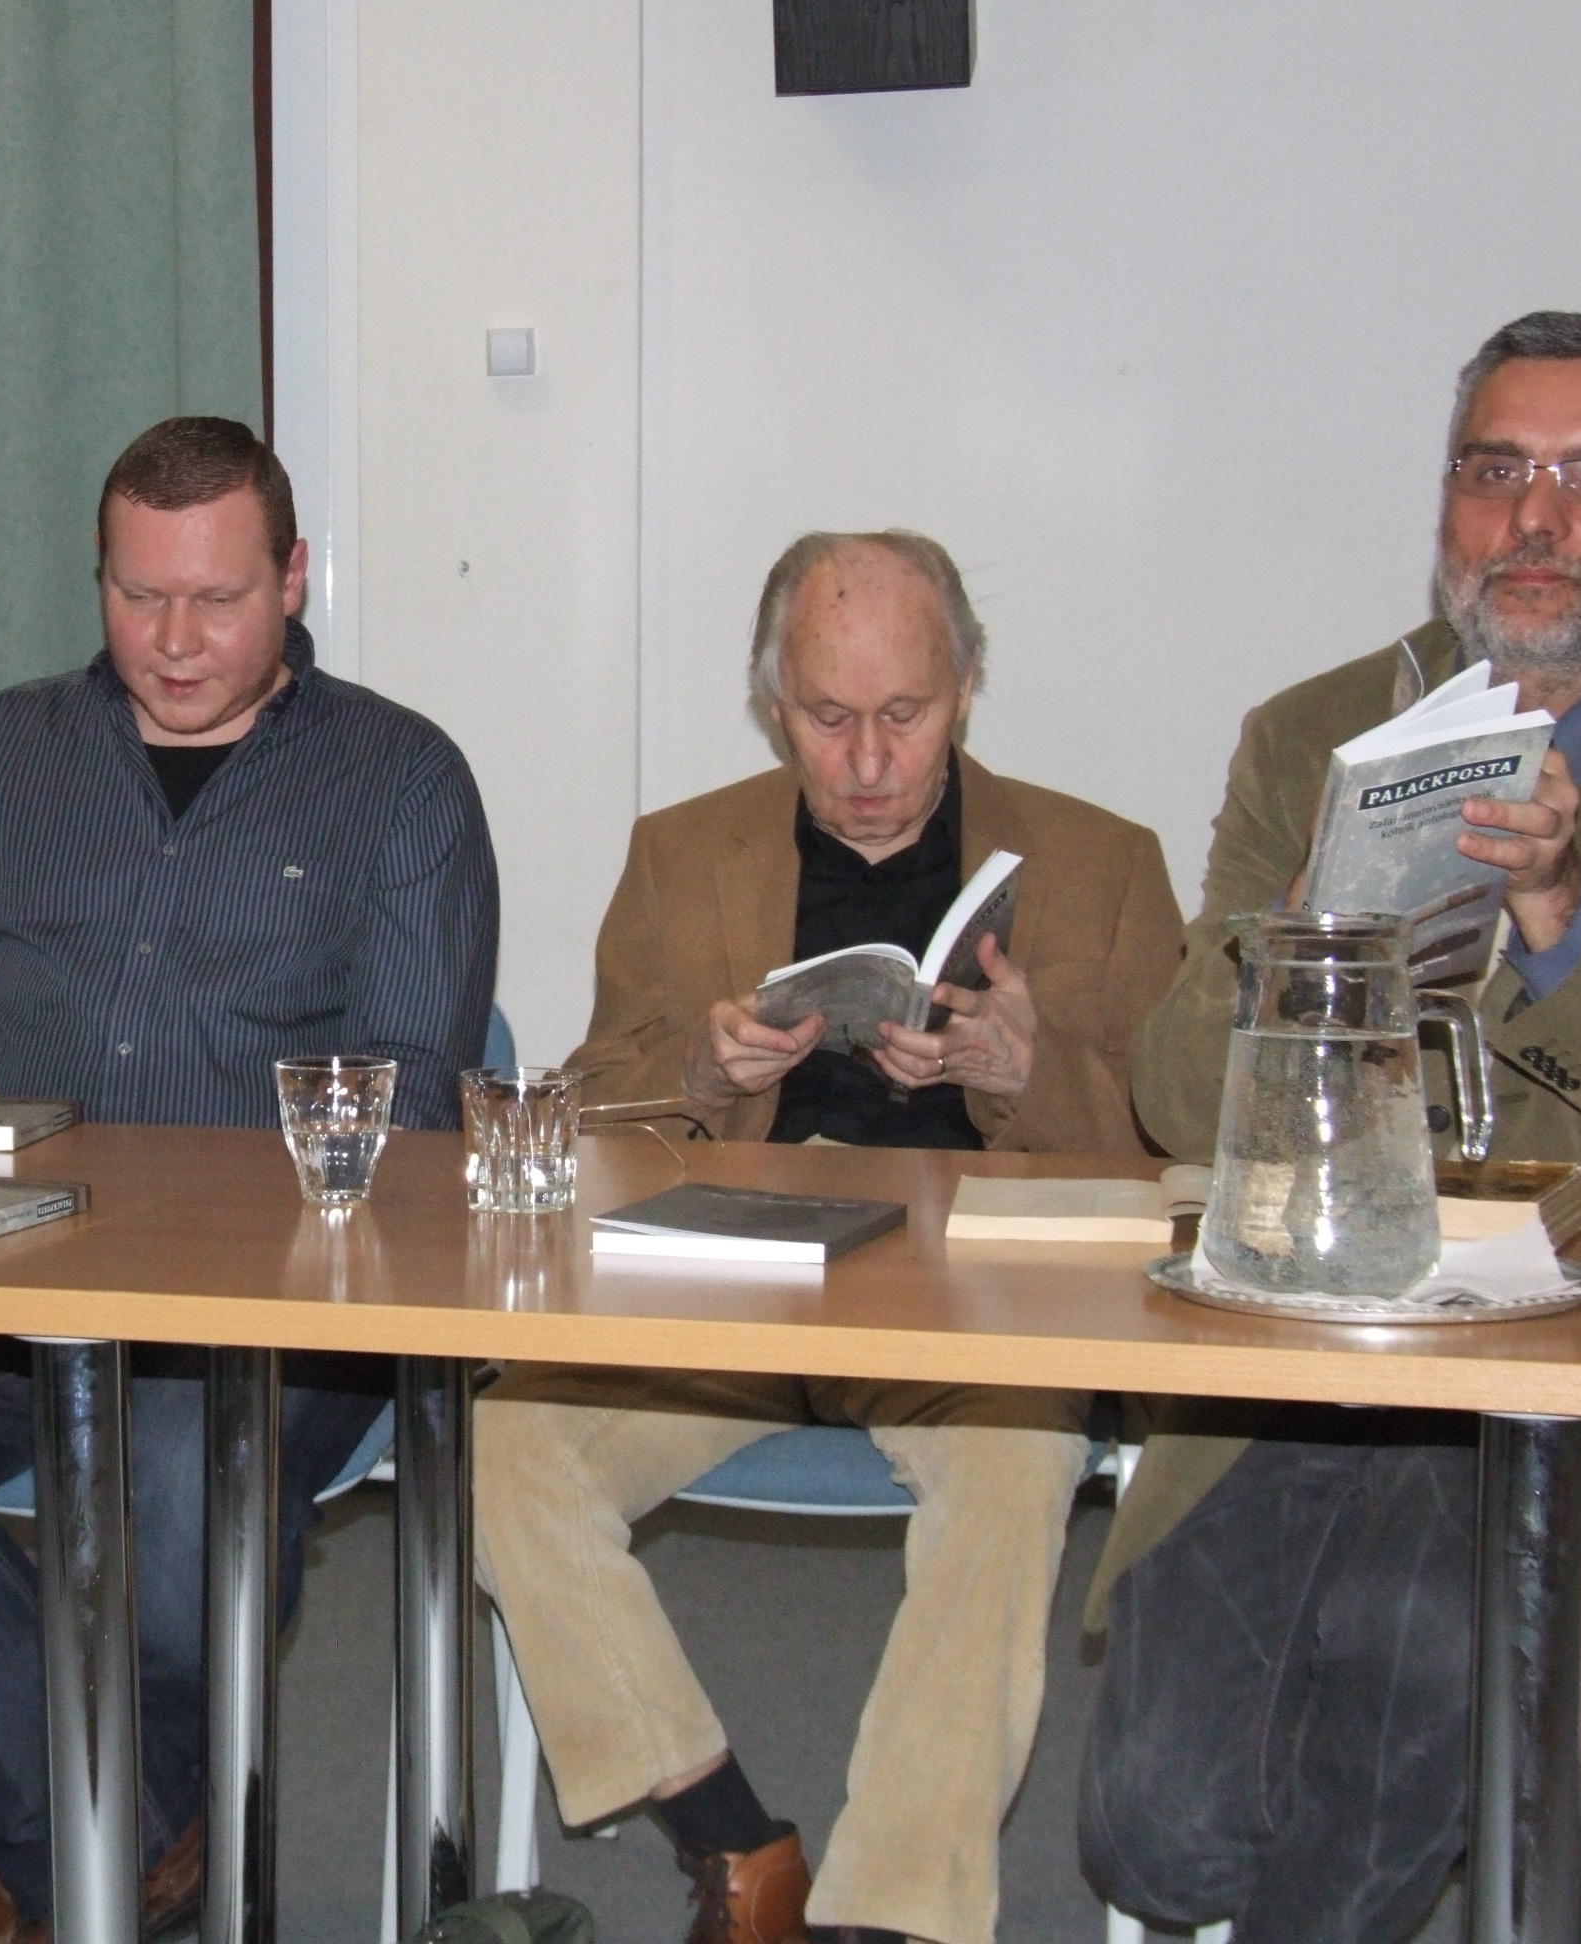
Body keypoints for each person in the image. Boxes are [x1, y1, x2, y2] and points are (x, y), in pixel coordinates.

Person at [0, 415, 499, 1944]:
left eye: (216, 599)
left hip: (281, 1289)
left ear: (293, 579)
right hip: (7, 1249)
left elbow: (416, 1089)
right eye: (138, 596)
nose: (173, 639)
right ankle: (127, 1833)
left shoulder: (400, 779)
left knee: (171, 1477)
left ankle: (89, 1843)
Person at [472, 531, 1184, 1944]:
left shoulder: (1104, 863)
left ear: (966, 687)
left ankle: (890, 1915)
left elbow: (1181, 1143)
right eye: (826, 717)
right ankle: (735, 1843)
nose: (865, 762)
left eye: (903, 716)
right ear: (771, 703)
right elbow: (588, 1107)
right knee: (497, 1445)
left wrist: (1024, 1073)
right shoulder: (685, 854)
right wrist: (700, 1074)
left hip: (977, 1292)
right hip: (738, 1273)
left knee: (1018, 1471)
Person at [1079, 310, 1581, 1944]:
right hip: (1310, 1342)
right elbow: (1173, 1095)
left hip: (1575, 1366)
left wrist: (1563, 911)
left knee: (1412, 1652)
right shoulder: (1314, 732)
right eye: (1495, 470)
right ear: (1446, 500)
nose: (1536, 519)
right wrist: (1309, 926)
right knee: (1156, 1838)